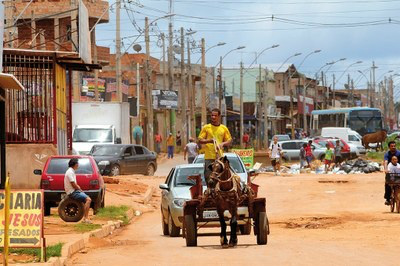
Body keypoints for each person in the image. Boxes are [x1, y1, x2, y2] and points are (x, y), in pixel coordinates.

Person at [198, 108, 232, 187]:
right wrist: (209, 140)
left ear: (219, 116)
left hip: (220, 157)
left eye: (215, 115)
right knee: (208, 177)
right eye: (212, 115)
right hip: (209, 157)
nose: (213, 117)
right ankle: (210, 191)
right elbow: (200, 139)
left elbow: (229, 140)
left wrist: (222, 144)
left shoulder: (223, 128)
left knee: (224, 177)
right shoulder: (206, 127)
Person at [64, 158, 92, 223]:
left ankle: (85, 217)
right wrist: (79, 189)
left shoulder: (71, 171)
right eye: (77, 164)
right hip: (72, 192)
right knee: (88, 200)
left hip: (73, 190)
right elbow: (73, 184)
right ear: (75, 164)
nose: (78, 165)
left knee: (86, 198)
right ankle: (85, 218)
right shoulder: (70, 172)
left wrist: (79, 189)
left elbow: (74, 183)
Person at [384, 141, 400, 205]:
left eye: (394, 146)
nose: (393, 147)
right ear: (389, 147)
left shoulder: (399, 153)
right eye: (392, 146)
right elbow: (385, 162)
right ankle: (388, 199)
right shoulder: (387, 154)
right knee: (388, 183)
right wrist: (385, 169)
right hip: (390, 171)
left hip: (398, 170)